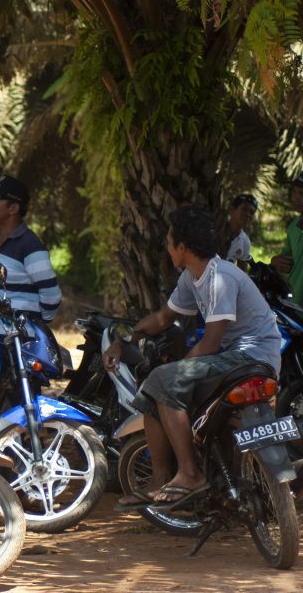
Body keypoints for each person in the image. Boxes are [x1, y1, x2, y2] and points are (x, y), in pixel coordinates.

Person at [106, 205, 281, 508]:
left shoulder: (220, 276)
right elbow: (162, 317)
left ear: (182, 247)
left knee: (163, 378)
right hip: (236, 358)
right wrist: (124, 341)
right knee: (156, 389)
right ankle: (161, 477)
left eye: (169, 240)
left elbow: (211, 342)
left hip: (252, 357)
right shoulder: (192, 278)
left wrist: (176, 369)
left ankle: (189, 473)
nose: (166, 246)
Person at [0, 174, 61, 338]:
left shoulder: (30, 245)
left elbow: (52, 296)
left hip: (20, 346)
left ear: (13, 208)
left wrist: (34, 324)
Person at [272, 173, 303, 299]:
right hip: (293, 304)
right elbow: (286, 259)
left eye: (301, 193)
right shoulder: (293, 226)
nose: (295, 198)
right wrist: (275, 261)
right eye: (294, 192)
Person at [224, 193, 258, 270]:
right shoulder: (216, 230)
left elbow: (242, 272)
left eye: (251, 212)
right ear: (232, 210)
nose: (248, 215)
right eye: (244, 209)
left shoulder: (245, 242)